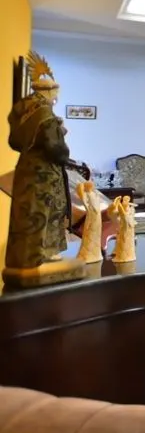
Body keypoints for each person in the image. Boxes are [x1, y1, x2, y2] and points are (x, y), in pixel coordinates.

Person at [5, 52, 71, 273]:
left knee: (25, 213)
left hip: (26, 170)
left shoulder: (21, 110)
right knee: (45, 212)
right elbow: (57, 151)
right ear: (50, 92)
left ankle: (22, 258)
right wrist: (61, 134)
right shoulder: (46, 115)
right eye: (56, 94)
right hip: (44, 174)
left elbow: (15, 142)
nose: (56, 98)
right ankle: (42, 254)